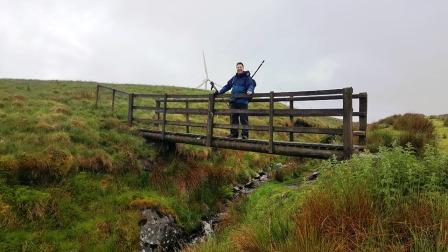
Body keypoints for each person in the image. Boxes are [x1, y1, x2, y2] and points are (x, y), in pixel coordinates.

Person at [212, 62, 255, 139]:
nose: (239, 68)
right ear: (236, 68)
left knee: (244, 119)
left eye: (240, 67)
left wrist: (250, 90)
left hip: (243, 102)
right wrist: (219, 92)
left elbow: (250, 85)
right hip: (234, 101)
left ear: (243, 68)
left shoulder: (247, 78)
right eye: (238, 67)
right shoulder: (234, 78)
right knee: (233, 119)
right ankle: (233, 134)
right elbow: (227, 86)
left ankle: (245, 135)